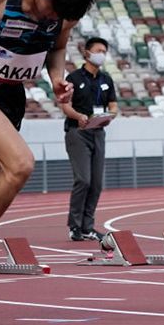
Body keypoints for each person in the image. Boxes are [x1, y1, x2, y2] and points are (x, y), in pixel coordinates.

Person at [0, 0, 96, 294]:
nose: (53, 16)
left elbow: (56, 48)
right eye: (50, 7)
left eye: (62, 14)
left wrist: (57, 79)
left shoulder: (64, 13)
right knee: (20, 164)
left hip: (8, 97)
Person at [60, 36, 118, 242]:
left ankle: (88, 226)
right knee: (83, 179)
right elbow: (65, 105)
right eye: (98, 50)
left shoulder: (106, 79)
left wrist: (111, 116)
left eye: (104, 51)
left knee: (96, 183)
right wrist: (78, 116)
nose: (101, 54)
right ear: (87, 53)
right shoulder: (74, 78)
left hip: (98, 132)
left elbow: (113, 104)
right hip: (78, 132)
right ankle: (74, 226)